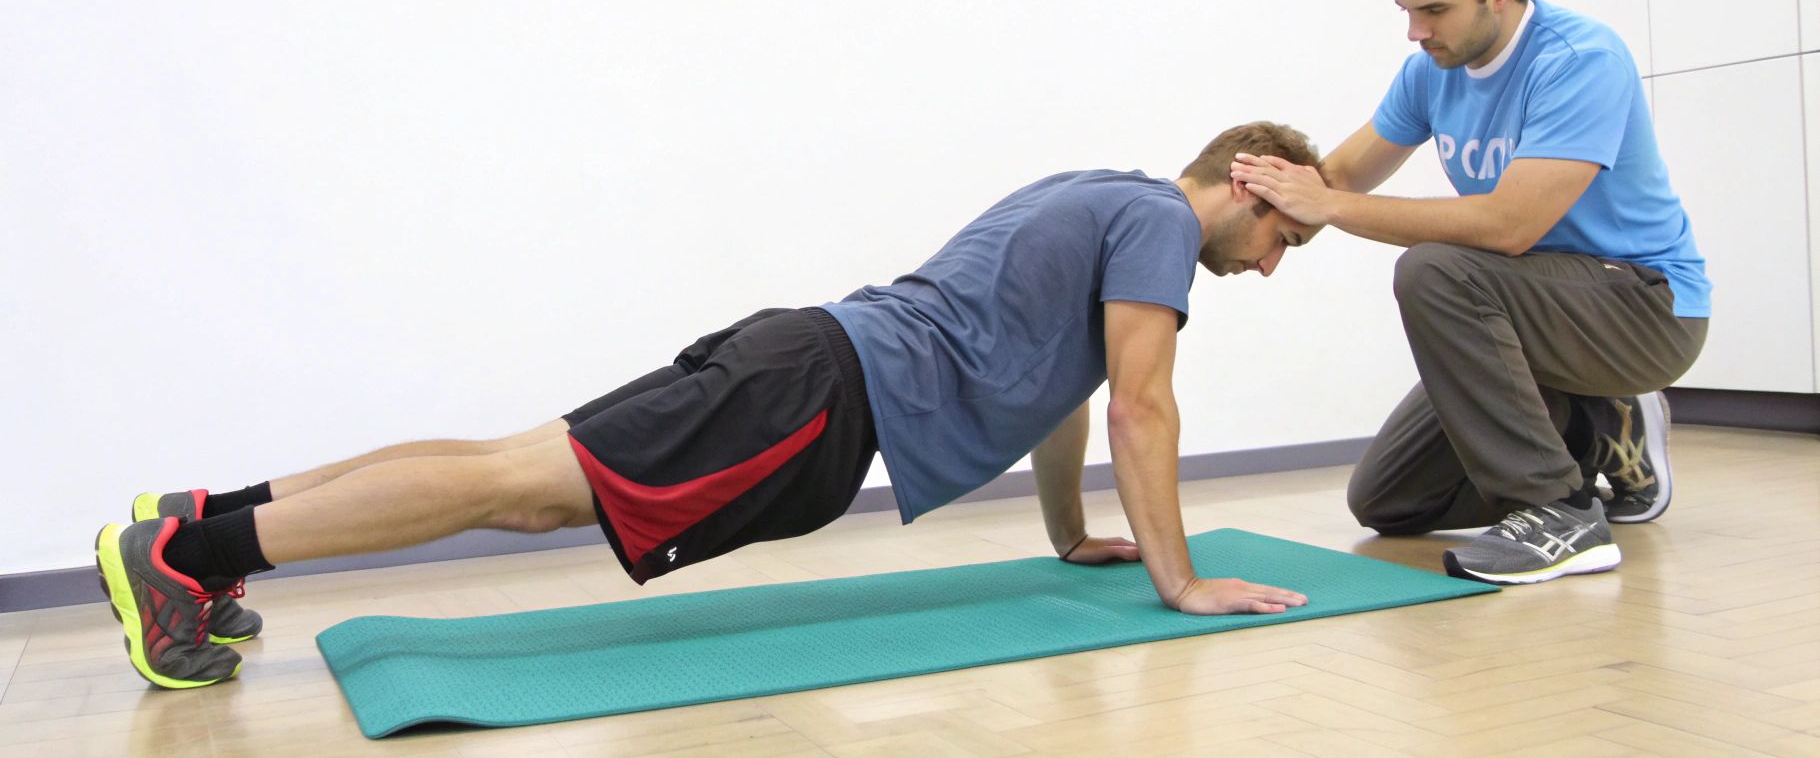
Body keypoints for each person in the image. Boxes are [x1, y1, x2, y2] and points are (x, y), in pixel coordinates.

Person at [97, 121, 1321, 689]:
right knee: (518, 493)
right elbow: (1141, 411)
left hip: (803, 358)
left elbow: (1070, 391)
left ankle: (203, 519)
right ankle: (184, 555)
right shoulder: (1159, 222)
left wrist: (1065, 535)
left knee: (507, 460)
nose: (1272, 263)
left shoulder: (1100, 191)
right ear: (1249, 182)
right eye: (1284, 234)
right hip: (817, 394)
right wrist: (1178, 579)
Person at [1230, 0, 1708, 586]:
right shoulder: (1431, 72)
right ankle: (1594, 431)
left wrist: (1326, 205)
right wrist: (1260, 220)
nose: (1416, 33)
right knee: (1387, 499)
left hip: (1643, 307)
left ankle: (1558, 513)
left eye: (1435, 10)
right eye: (1407, 12)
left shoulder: (1580, 59)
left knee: (1435, 270)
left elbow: (1508, 226)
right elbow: (1338, 175)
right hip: (1531, 309)